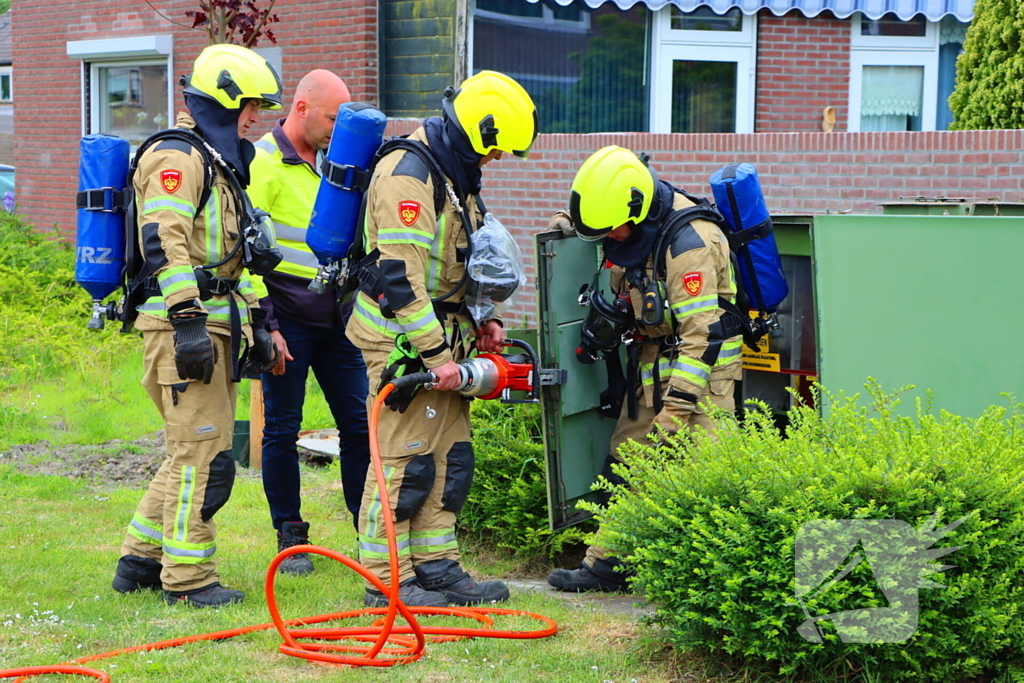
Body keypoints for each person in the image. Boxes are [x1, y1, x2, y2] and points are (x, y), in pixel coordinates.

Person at [345, 71, 538, 607]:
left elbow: (464, 258)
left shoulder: (455, 172)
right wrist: (436, 356)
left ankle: (437, 567)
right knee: (401, 460)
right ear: (476, 131)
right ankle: (387, 580)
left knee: (449, 457)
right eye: (495, 147)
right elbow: (399, 276)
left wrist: (483, 318)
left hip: (446, 335)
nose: (497, 158)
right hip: (401, 339)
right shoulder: (409, 175)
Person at [111, 44, 282, 607]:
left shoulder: (216, 162)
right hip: (185, 328)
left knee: (189, 450)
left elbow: (231, 261)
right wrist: (187, 319)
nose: (255, 118)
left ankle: (139, 561)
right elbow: (164, 242)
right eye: (250, 106)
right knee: (203, 459)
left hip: (215, 325)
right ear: (224, 101)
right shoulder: (178, 157)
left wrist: (259, 321)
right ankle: (188, 580)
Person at [546, 145, 742, 592]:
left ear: (636, 210)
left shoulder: (690, 245)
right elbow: (600, 218)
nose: (611, 238)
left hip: (704, 376)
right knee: (629, 461)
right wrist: (568, 226)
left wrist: (674, 413)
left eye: (612, 230)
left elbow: (702, 339)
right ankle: (609, 566)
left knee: (705, 480)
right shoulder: (632, 216)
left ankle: (709, 590)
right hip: (655, 362)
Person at [247, 70, 371, 577]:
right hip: (288, 320)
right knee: (282, 428)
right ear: (301, 109)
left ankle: (369, 534)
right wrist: (266, 327)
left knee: (360, 426)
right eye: (332, 118)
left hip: (338, 320)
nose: (337, 129)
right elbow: (246, 252)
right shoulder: (261, 161)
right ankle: (291, 539)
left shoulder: (336, 161)